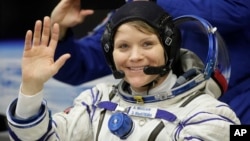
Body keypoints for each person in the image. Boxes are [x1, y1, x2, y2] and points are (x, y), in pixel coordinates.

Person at [6, 1, 240, 140]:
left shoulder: (206, 115)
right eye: (123, 47)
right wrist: (31, 87)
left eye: (147, 44)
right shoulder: (97, 102)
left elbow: (240, 10)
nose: (135, 56)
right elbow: (40, 137)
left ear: (170, 48)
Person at [51, 0, 250, 124]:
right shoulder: (139, 8)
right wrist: (59, 33)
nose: (135, 55)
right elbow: (79, 66)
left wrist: (155, 3)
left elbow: (238, 10)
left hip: (240, 109)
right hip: (169, 115)